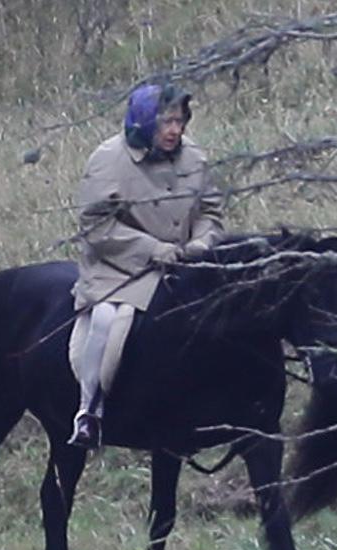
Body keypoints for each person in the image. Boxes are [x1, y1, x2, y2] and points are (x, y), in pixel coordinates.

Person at [67, 83, 224, 449]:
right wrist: (153, 249)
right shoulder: (107, 159)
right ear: (144, 121)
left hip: (186, 264)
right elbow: (96, 227)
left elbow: (210, 212)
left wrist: (202, 243)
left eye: (180, 121)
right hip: (119, 268)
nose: (175, 130)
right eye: (166, 122)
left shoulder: (194, 158)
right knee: (108, 321)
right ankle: (90, 410)